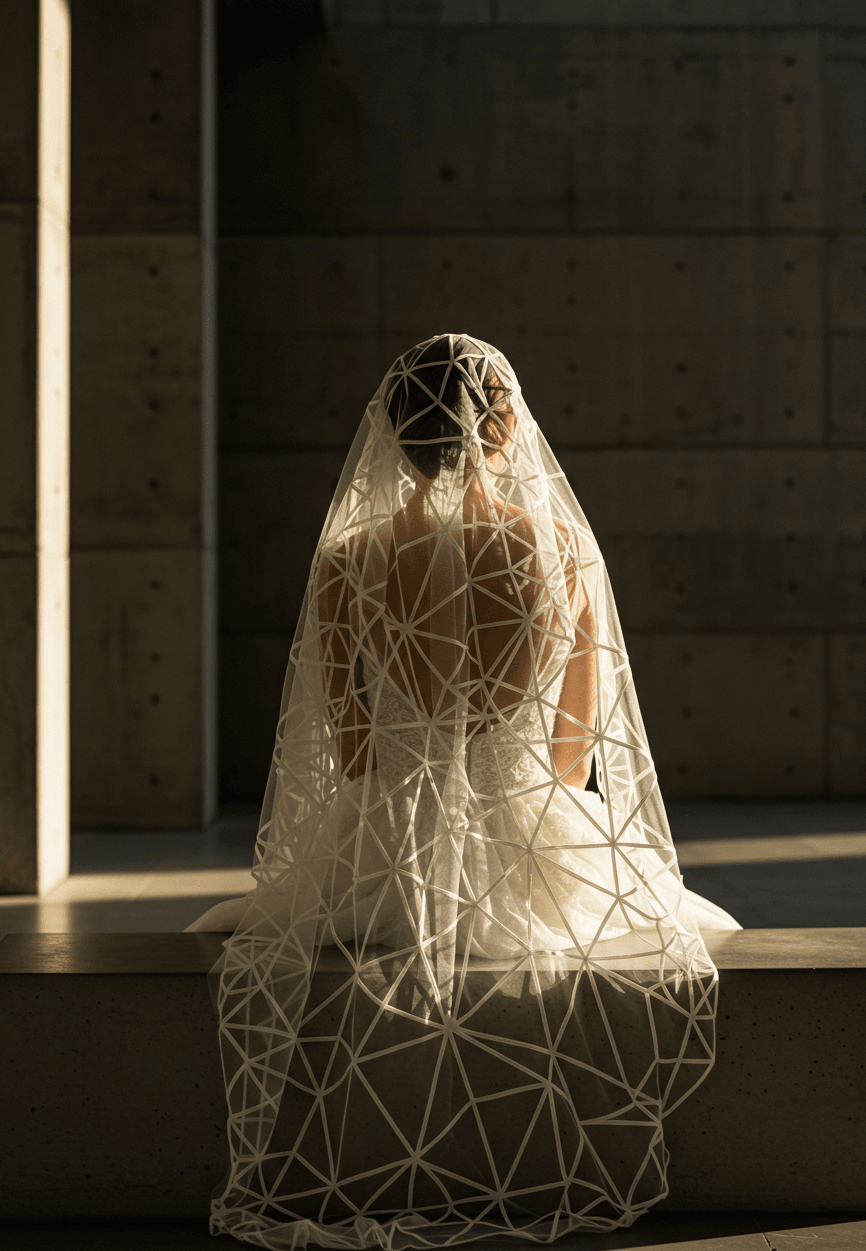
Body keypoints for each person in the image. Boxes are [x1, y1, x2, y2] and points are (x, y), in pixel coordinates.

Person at [188, 334, 741, 1247]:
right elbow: (574, 752)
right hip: (533, 832)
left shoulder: (346, 561)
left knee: (231, 932)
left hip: (385, 847)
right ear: (503, 423)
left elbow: (355, 751)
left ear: (395, 437)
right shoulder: (563, 548)